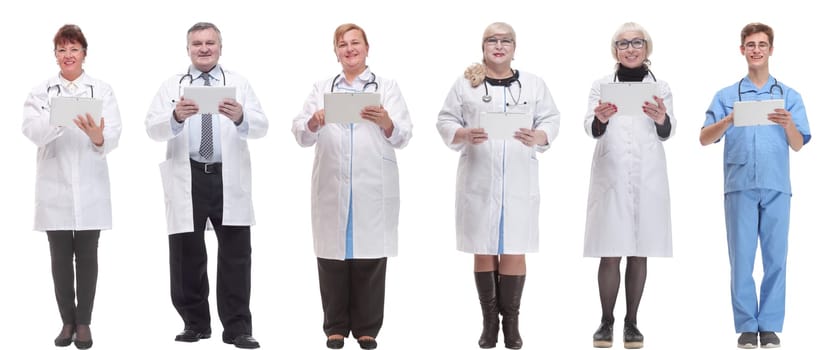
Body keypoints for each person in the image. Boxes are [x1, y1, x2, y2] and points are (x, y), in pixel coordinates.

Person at [437, 22, 559, 350]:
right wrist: (463, 134)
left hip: (519, 177)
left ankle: (513, 323)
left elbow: (550, 119)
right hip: (479, 177)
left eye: (506, 40)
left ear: (515, 47)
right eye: (492, 40)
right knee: (484, 246)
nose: (499, 45)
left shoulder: (534, 85)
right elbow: (446, 119)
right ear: (483, 46)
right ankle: (490, 322)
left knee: (515, 247)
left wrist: (540, 135)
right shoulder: (466, 84)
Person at [145, 22, 268, 349]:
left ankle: (238, 328)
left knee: (236, 255)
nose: (203, 48)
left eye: (209, 43)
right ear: (188, 49)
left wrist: (241, 116)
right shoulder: (172, 86)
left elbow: (262, 126)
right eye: (197, 43)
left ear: (220, 47)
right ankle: (195, 323)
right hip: (189, 175)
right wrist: (175, 116)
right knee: (187, 254)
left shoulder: (238, 84)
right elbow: (152, 128)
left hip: (228, 177)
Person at [291, 23, 412, 350]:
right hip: (332, 183)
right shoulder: (321, 87)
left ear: (366, 48)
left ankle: (367, 328)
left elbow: (404, 134)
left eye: (355, 43)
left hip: (372, 184)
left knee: (370, 260)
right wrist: (314, 121)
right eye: (342, 44)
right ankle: (335, 327)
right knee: (332, 259)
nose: (349, 49)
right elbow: (300, 133)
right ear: (336, 52)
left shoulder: (386, 87)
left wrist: (386, 121)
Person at [700, 22, 810, 349]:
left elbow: (798, 144)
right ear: (742, 50)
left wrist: (789, 123)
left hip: (777, 185)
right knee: (742, 260)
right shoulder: (726, 96)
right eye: (751, 44)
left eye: (762, 44)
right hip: (740, 185)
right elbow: (705, 138)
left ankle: (771, 325)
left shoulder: (789, 96)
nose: (757, 50)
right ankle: (748, 326)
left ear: (771, 49)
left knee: (776, 258)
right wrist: (729, 119)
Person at [22, 24, 122, 350]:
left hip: (91, 186)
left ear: (84, 54)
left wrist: (98, 137)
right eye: (62, 50)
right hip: (55, 187)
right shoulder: (42, 91)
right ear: (55, 55)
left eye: (74, 49)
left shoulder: (102, 90)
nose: (68, 55)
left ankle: (84, 322)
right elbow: (31, 130)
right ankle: (67, 320)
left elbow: (114, 132)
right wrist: (58, 119)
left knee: (88, 257)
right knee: (60, 259)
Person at [582, 22, 675, 350]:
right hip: (612, 173)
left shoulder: (660, 86)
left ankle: (632, 322)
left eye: (637, 42)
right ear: (615, 50)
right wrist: (600, 119)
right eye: (623, 43)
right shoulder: (601, 85)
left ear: (646, 48)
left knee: (639, 251)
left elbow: (667, 131)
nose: (631, 48)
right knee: (610, 251)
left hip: (648, 175)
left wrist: (661, 117)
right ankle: (606, 320)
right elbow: (590, 127)